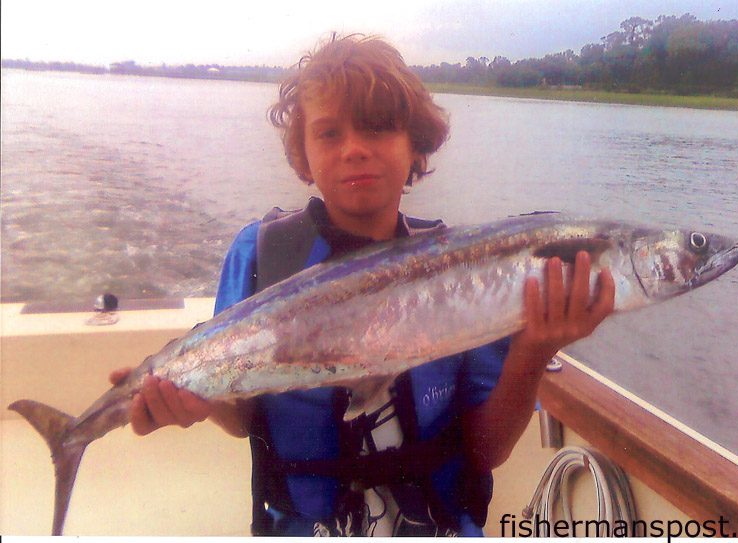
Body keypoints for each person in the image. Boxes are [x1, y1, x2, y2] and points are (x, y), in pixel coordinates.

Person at [110, 34, 615, 536]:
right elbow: (244, 418)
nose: (354, 150)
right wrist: (198, 403)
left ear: (416, 146)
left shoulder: (468, 274)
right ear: (303, 157)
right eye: (330, 134)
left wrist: (533, 351)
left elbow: (487, 451)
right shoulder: (262, 253)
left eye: (377, 129)